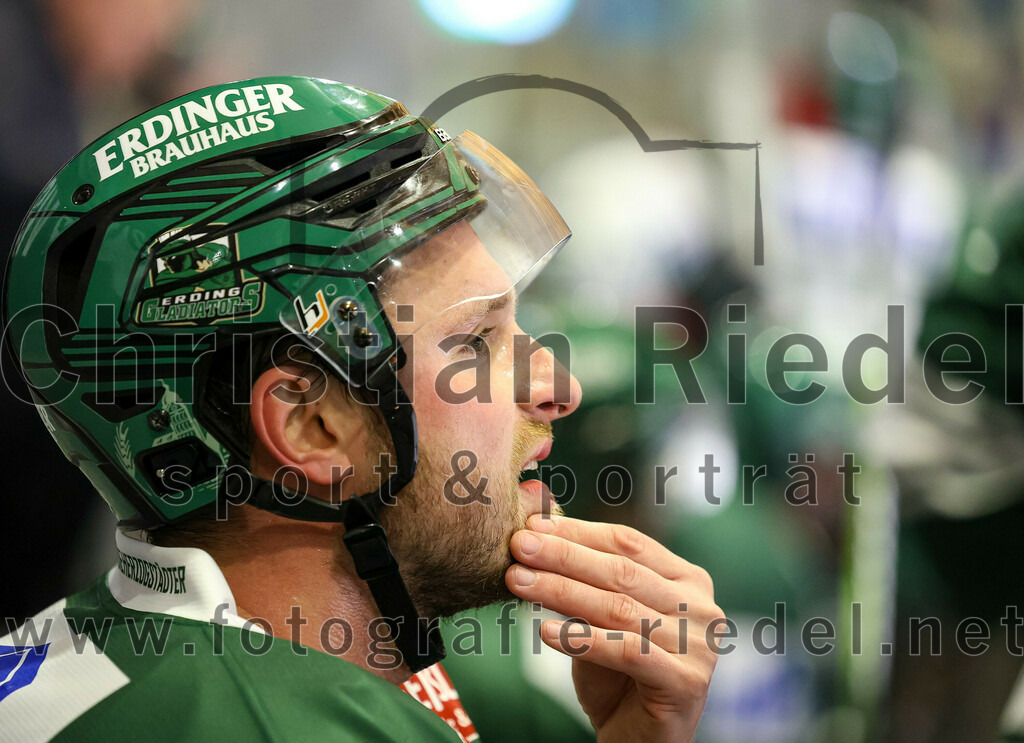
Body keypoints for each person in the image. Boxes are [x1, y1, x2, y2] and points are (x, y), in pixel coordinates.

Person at [0, 76, 723, 742]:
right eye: (476, 339)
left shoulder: (59, 653)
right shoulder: (299, 726)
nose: (559, 386)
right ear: (310, 425)